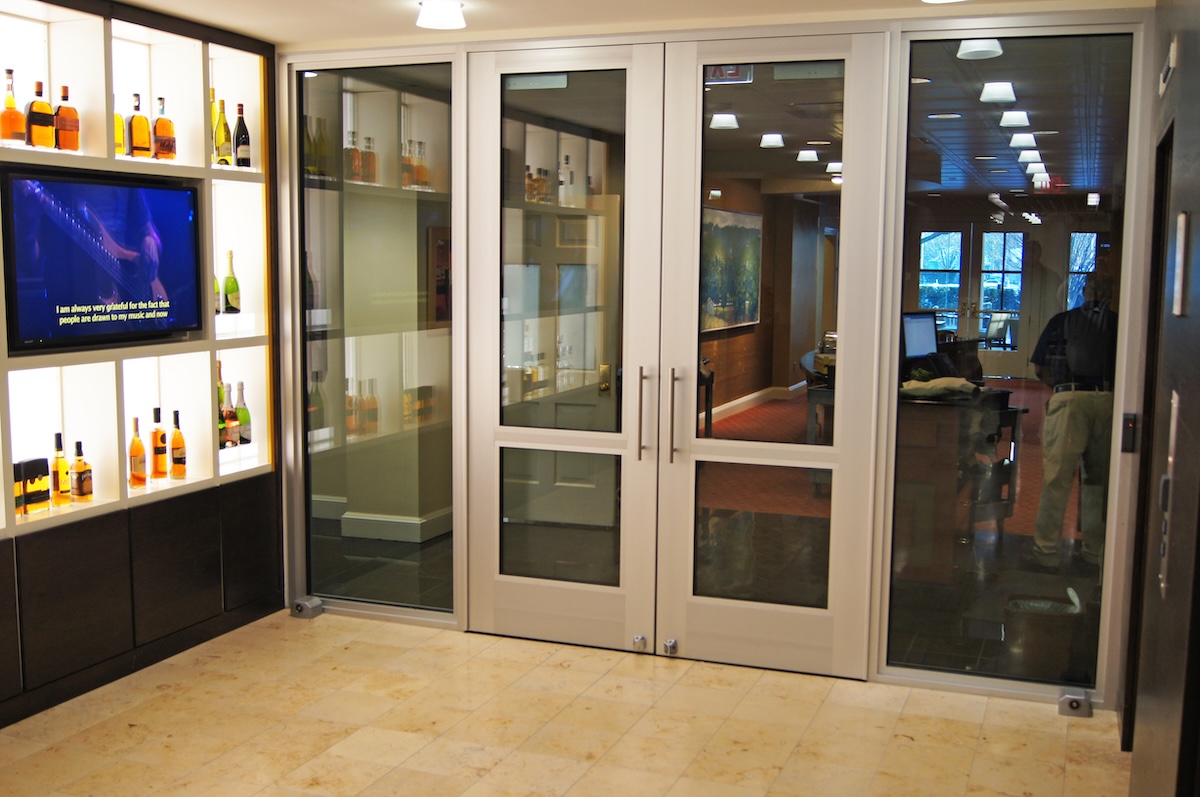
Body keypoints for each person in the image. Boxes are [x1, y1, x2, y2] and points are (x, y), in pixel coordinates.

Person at [1025, 271, 1118, 574]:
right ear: (1110, 294)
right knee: (1098, 482)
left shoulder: (1061, 322)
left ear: (1084, 291)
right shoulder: (1119, 324)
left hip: (1069, 399)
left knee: (1057, 479)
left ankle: (1047, 552)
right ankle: (1093, 553)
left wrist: (1060, 389)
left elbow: (1040, 368)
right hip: (1109, 402)